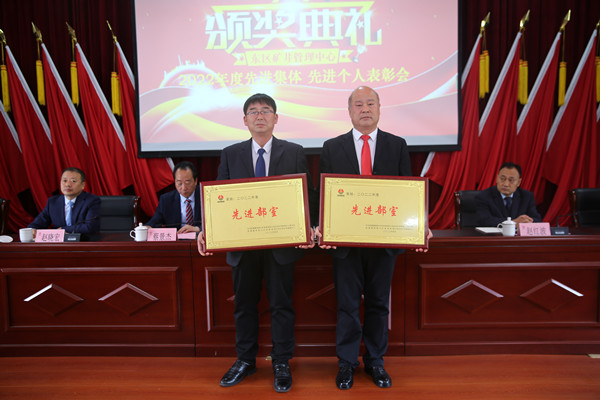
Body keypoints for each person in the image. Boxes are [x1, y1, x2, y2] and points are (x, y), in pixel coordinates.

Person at [197, 93, 316, 393]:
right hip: (243, 246)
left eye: (265, 111)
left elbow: (307, 195)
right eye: (253, 111)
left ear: (276, 118)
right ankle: (245, 360)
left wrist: (309, 227)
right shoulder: (230, 154)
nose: (259, 116)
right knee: (244, 306)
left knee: (281, 305)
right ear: (245, 120)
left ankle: (281, 361)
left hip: (282, 246)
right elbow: (218, 198)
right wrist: (206, 228)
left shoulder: (294, 152)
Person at [318, 86, 431, 390]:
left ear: (380, 109)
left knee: (379, 304)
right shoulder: (332, 147)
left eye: (370, 103)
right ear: (349, 111)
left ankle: (375, 361)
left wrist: (420, 223)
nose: (365, 109)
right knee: (347, 305)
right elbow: (323, 195)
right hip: (345, 244)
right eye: (358, 104)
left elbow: (408, 191)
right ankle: (346, 363)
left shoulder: (397, 145)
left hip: (384, 243)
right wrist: (322, 227)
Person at [28, 167, 100, 235]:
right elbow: (38, 223)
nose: (68, 184)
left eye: (73, 181)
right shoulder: (53, 202)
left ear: (83, 185)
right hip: (59, 243)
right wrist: (32, 229)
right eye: (64, 181)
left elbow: (90, 227)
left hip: (83, 241)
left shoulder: (91, 201)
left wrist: (63, 229)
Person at [475, 162, 542, 227]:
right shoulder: (484, 196)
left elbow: (537, 219)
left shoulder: (527, 196)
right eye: (502, 179)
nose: (506, 184)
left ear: (519, 182)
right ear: (497, 178)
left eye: (511, 180)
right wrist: (513, 223)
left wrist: (528, 221)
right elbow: (484, 220)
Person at [146, 161, 201, 233]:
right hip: (176, 238)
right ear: (175, 182)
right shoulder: (166, 200)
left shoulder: (206, 195)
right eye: (179, 183)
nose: (183, 188)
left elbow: (214, 222)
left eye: (187, 183)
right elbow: (155, 222)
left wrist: (198, 229)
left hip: (200, 237)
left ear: (195, 181)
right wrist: (146, 227)